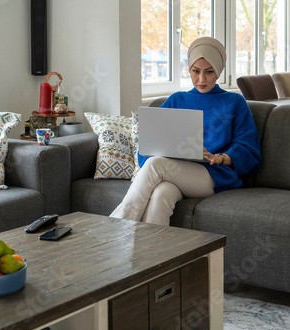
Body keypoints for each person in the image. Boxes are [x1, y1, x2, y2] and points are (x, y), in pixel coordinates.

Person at [110, 36, 261, 226]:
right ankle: (152, 254)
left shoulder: (234, 102)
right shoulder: (176, 100)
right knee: (160, 195)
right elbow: (147, 146)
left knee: (156, 165)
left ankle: (114, 230)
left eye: (209, 72)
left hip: (214, 175)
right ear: (189, 69)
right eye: (195, 71)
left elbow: (249, 149)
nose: (201, 79)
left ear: (218, 71)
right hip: (175, 173)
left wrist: (220, 157)